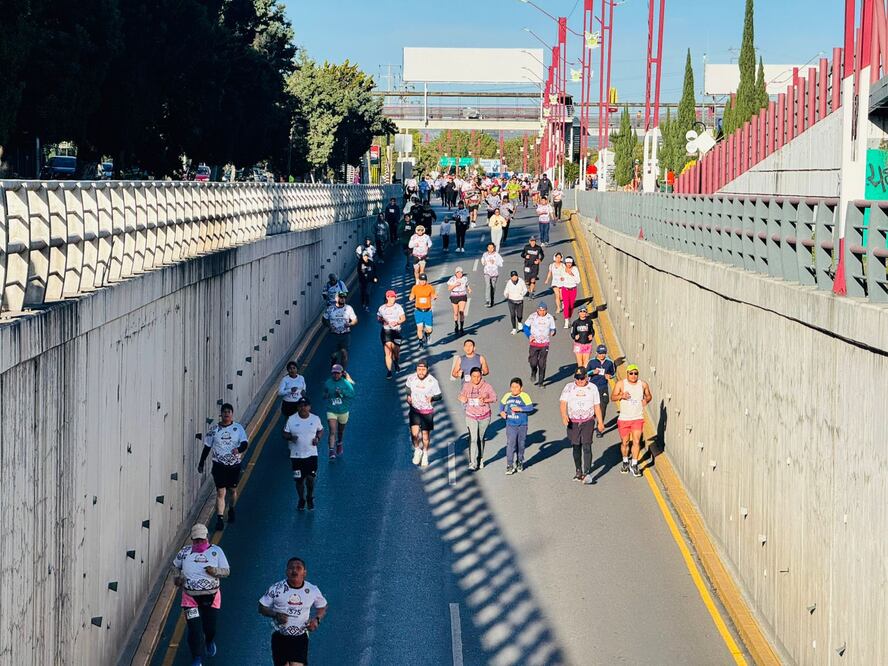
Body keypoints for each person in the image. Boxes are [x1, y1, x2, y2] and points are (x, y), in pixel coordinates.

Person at [173, 523, 230, 665]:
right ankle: (197, 658)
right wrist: (177, 578)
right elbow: (175, 566)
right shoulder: (185, 552)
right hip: (190, 598)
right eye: (196, 540)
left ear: (207, 538)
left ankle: (209, 641)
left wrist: (214, 571)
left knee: (210, 628)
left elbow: (226, 571)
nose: (199, 543)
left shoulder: (216, 552)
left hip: (212, 597)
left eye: (202, 540)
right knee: (195, 630)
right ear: (192, 539)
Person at [258, 558, 328, 666]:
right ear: (286, 571)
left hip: (299, 637)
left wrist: (317, 619)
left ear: (304, 573)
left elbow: (323, 606)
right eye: (291, 568)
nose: (294, 570)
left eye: (298, 568)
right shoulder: (276, 589)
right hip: (279, 636)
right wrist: (275, 615)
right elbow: (262, 607)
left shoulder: (312, 590)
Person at [198, 404, 248, 531]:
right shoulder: (213, 430)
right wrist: (201, 462)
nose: (226, 414)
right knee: (220, 492)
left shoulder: (238, 428)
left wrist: (239, 449)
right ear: (221, 414)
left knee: (232, 490)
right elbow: (207, 447)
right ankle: (219, 518)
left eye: (229, 412)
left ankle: (231, 508)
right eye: (224, 412)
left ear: (232, 414)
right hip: (219, 465)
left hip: (234, 466)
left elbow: (244, 443)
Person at [560, 367, 605, 483]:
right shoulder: (569, 387)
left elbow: (597, 406)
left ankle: (587, 472)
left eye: (581, 378)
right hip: (573, 422)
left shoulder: (592, 388)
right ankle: (578, 470)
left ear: (586, 377)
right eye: (577, 378)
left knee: (586, 446)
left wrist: (600, 422)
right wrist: (564, 416)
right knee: (576, 446)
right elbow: (563, 403)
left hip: (588, 421)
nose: (579, 381)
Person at [282, 398, 324, 511]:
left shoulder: (315, 419)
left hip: (311, 455)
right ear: (297, 407)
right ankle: (301, 499)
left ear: (309, 407)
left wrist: (318, 438)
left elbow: (321, 430)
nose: (303, 408)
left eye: (305, 405)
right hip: (296, 456)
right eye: (301, 405)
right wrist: (290, 437)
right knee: (299, 480)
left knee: (310, 479)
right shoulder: (291, 419)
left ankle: (310, 497)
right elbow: (284, 433)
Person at [611, 364, 652, 477]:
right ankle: (625, 461)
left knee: (637, 441)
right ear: (627, 373)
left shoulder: (643, 384)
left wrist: (646, 400)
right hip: (624, 418)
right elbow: (613, 397)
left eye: (636, 373)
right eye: (631, 373)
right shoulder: (621, 384)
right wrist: (621, 396)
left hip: (637, 418)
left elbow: (649, 396)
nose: (633, 376)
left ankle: (634, 464)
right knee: (625, 442)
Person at [405, 360, 442, 467]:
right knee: (414, 434)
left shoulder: (432, 381)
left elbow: (439, 395)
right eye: (419, 370)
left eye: (423, 370)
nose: (421, 372)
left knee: (425, 436)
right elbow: (407, 388)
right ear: (416, 369)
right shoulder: (411, 378)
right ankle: (417, 450)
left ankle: (425, 453)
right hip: (415, 410)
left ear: (427, 370)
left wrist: (432, 398)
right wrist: (408, 396)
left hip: (427, 411)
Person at [459, 367, 498, 471]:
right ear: (470, 376)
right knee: (473, 438)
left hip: (484, 416)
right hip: (471, 415)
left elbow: (494, 397)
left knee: (480, 438)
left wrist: (485, 400)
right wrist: (462, 398)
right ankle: (472, 463)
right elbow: (462, 396)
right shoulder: (466, 386)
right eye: (473, 376)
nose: (476, 379)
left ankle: (480, 458)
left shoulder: (487, 386)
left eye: (478, 376)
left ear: (481, 376)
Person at [499, 378, 534, 474]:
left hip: (522, 424)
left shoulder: (524, 396)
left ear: (521, 388)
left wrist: (520, 409)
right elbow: (501, 404)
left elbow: (530, 407)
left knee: (521, 445)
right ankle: (509, 465)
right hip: (510, 424)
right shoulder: (507, 396)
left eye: (516, 387)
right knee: (511, 444)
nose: (514, 389)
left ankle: (519, 461)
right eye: (512, 387)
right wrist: (501, 412)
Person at [322, 364, 355, 460]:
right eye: (334, 373)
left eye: (338, 373)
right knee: (332, 430)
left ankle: (339, 442)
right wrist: (326, 395)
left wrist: (341, 393)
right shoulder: (328, 383)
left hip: (343, 411)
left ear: (341, 374)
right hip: (331, 410)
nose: (335, 375)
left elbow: (352, 394)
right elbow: (324, 395)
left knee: (340, 431)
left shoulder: (346, 383)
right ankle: (331, 451)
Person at [522, 302, 557, 386]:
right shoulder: (532, 316)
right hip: (534, 343)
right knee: (533, 362)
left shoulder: (550, 318)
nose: (542, 312)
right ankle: (533, 371)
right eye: (540, 310)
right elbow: (525, 327)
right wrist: (529, 335)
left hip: (544, 344)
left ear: (546, 310)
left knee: (542, 363)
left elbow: (553, 328)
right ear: (537, 310)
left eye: (543, 310)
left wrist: (553, 332)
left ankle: (541, 382)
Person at [322, 292, 357, 369]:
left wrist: (350, 324)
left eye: (344, 297)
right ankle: (333, 366)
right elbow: (324, 319)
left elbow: (355, 320)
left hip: (345, 334)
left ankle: (342, 371)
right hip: (334, 335)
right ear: (336, 298)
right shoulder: (330, 309)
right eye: (340, 297)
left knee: (344, 353)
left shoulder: (349, 308)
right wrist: (329, 326)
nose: (342, 299)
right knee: (334, 355)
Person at [377, 289, 406, 379]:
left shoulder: (398, 307)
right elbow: (378, 318)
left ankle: (396, 362)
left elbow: (403, 318)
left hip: (396, 332)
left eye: (394, 297)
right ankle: (389, 371)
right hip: (386, 332)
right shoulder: (382, 308)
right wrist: (382, 321)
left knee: (396, 352)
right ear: (387, 297)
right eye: (392, 297)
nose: (394, 298)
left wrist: (397, 323)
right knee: (388, 352)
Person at [588, 344, 615, 438]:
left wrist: (610, 376)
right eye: (600, 353)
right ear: (596, 353)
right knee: (592, 409)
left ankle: (599, 428)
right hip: (592, 388)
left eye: (603, 353)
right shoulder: (592, 362)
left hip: (603, 387)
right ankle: (589, 425)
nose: (602, 355)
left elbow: (613, 373)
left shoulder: (609, 363)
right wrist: (592, 372)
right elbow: (586, 373)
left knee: (603, 407)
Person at [408, 272, 436, 347]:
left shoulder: (430, 287)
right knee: (419, 328)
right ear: (419, 280)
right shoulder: (415, 287)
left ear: (426, 280)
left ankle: (427, 334)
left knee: (430, 329)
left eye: (424, 280)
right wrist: (411, 297)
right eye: (421, 280)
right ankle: (420, 342)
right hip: (418, 311)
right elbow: (412, 295)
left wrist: (434, 297)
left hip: (427, 311)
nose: (422, 282)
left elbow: (433, 295)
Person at [447, 266, 471, 334]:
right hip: (454, 296)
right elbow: (449, 288)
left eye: (461, 272)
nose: (459, 274)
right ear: (455, 273)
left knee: (461, 311)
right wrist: (455, 285)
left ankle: (461, 327)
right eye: (458, 272)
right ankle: (456, 324)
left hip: (462, 296)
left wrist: (469, 289)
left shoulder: (465, 278)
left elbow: (466, 284)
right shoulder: (452, 279)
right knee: (455, 313)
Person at [480, 242, 503, 307]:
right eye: (489, 247)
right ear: (487, 248)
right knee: (488, 285)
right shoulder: (485, 254)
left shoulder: (497, 255)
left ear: (494, 248)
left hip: (494, 273)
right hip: (487, 272)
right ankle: (487, 300)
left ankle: (492, 299)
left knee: (493, 287)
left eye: (492, 247)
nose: (490, 249)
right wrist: (484, 262)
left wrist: (495, 262)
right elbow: (482, 262)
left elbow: (501, 264)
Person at [560, 256, 582, 328]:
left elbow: (578, 281)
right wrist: (561, 279)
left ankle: (569, 318)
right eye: (567, 263)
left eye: (570, 263)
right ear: (565, 263)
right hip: (565, 289)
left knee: (571, 305)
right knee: (566, 305)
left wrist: (571, 274)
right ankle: (566, 321)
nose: (568, 264)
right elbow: (560, 279)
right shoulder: (563, 269)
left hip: (573, 289)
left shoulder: (575, 269)